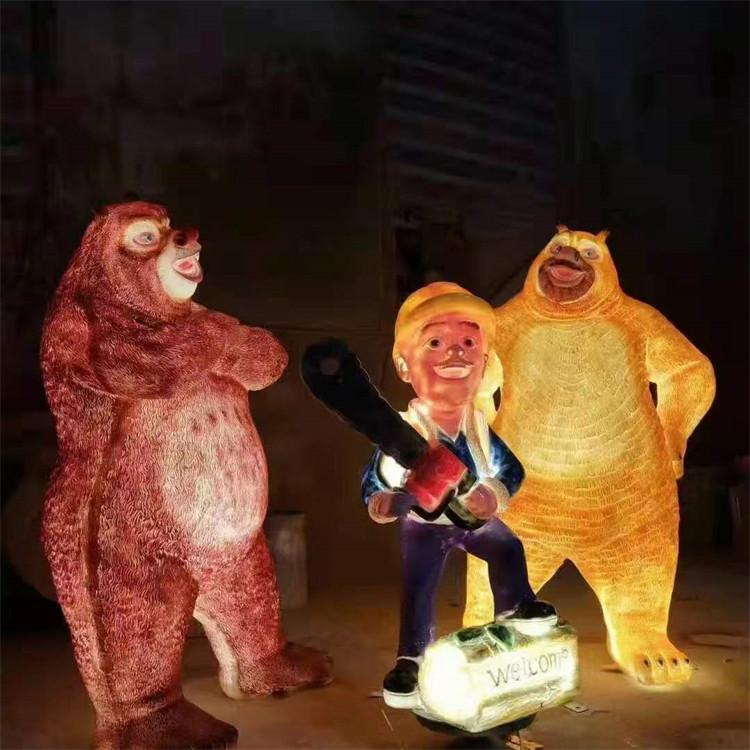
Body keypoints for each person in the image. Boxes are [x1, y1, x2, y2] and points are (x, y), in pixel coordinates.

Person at [361, 282, 555, 709]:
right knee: (419, 586)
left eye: (469, 344)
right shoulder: (402, 433)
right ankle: (411, 660)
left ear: (484, 365)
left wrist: (494, 494)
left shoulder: (480, 428)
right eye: (435, 343)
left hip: (474, 521)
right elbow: (373, 483)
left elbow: (512, 470)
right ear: (404, 365)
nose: (456, 354)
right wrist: (383, 502)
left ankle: (515, 610)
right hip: (423, 527)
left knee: (508, 548)